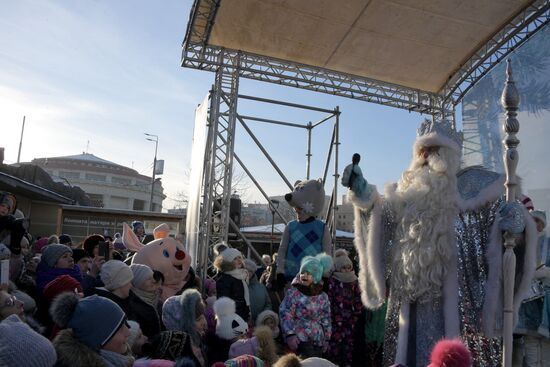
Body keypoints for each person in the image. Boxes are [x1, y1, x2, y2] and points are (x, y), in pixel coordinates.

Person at [342, 119, 538, 366]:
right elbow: (380, 222)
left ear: (450, 156)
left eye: (433, 150)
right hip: (410, 312)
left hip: (461, 312)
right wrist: (363, 196)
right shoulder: (407, 198)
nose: (424, 155)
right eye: (420, 151)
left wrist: (518, 226)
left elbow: (508, 237)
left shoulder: (477, 190)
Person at [50, 293, 134, 367]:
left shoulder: (119, 358)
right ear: (98, 340)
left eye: (125, 324)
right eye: (119, 329)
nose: (128, 333)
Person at [276, 179, 332, 284]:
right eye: (296, 209)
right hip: (290, 277)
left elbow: (326, 253)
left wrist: (325, 274)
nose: (297, 211)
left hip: (313, 279)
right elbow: (282, 249)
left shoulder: (322, 228)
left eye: (300, 209)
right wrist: (280, 271)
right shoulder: (291, 226)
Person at [513, 210, 550, 366]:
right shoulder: (520, 244)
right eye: (532, 221)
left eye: (538, 222)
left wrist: (543, 272)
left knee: (546, 345)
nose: (535, 225)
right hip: (528, 303)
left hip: (546, 300)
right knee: (531, 345)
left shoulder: (547, 243)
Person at [279, 253, 332, 359]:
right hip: (300, 338)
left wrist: (327, 338)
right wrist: (290, 334)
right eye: (303, 272)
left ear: (316, 277)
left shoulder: (322, 297)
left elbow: (326, 318)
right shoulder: (294, 293)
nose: (305, 275)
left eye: (309, 273)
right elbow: (286, 312)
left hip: (318, 339)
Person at [326, 249, 363, 367]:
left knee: (348, 346)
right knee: (334, 346)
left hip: (350, 319)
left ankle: (347, 363)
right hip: (335, 319)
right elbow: (329, 299)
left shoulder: (354, 280)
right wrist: (330, 315)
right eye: (343, 268)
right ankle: (333, 364)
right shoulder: (333, 281)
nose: (347, 270)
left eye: (348, 267)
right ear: (337, 268)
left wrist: (357, 313)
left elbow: (358, 298)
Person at [162, 288, 208, 366]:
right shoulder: (177, 351)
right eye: (198, 319)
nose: (204, 322)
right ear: (179, 321)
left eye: (202, 316)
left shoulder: (196, 338)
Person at [214, 247, 251, 321]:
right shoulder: (224, 278)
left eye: (239, 257)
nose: (239, 260)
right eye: (235, 259)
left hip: (241, 316)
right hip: (231, 318)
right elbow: (224, 302)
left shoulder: (241, 275)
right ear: (228, 262)